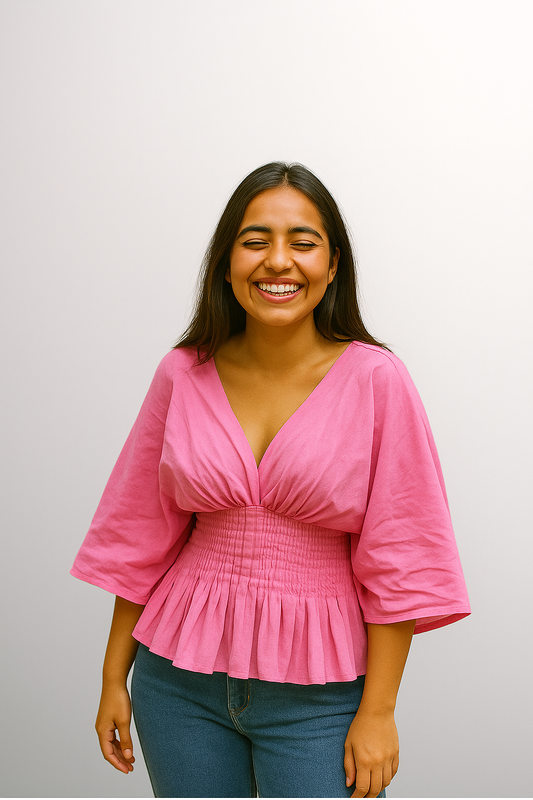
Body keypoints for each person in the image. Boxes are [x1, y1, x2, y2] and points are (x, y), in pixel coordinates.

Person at [71, 162, 470, 798]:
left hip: (322, 693)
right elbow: (140, 535)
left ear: (333, 265)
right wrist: (113, 677)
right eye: (255, 241)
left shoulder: (376, 380)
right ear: (226, 263)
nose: (277, 261)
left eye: (302, 243)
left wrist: (379, 710)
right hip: (176, 682)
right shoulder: (182, 373)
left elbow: (402, 556)